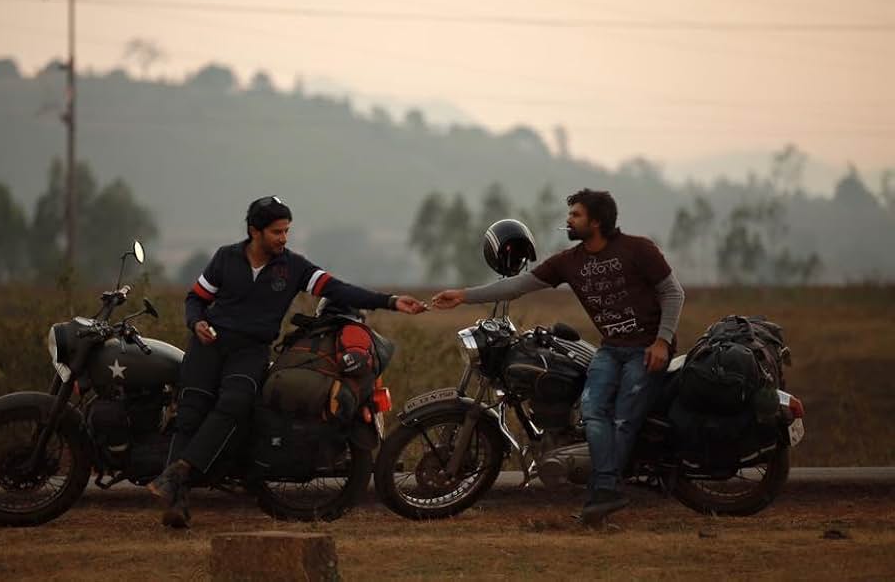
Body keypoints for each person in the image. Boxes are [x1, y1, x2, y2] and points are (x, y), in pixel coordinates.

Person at [149, 195, 426, 527]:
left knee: (235, 403)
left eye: (286, 231)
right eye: (277, 232)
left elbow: (339, 290)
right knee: (190, 412)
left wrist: (391, 301)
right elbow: (196, 298)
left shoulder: (293, 267)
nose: (284, 238)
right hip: (209, 345)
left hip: (250, 351)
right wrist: (196, 323)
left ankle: (181, 471)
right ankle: (177, 503)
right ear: (255, 231)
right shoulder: (225, 258)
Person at [431, 188, 685, 524]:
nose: (569, 220)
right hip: (611, 348)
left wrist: (662, 342)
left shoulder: (638, 249)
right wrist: (463, 296)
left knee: (623, 418)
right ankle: (602, 488)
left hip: (646, 348)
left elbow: (672, 292)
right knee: (593, 411)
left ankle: (604, 490)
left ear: (596, 221)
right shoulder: (570, 261)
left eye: (576, 215)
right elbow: (518, 285)